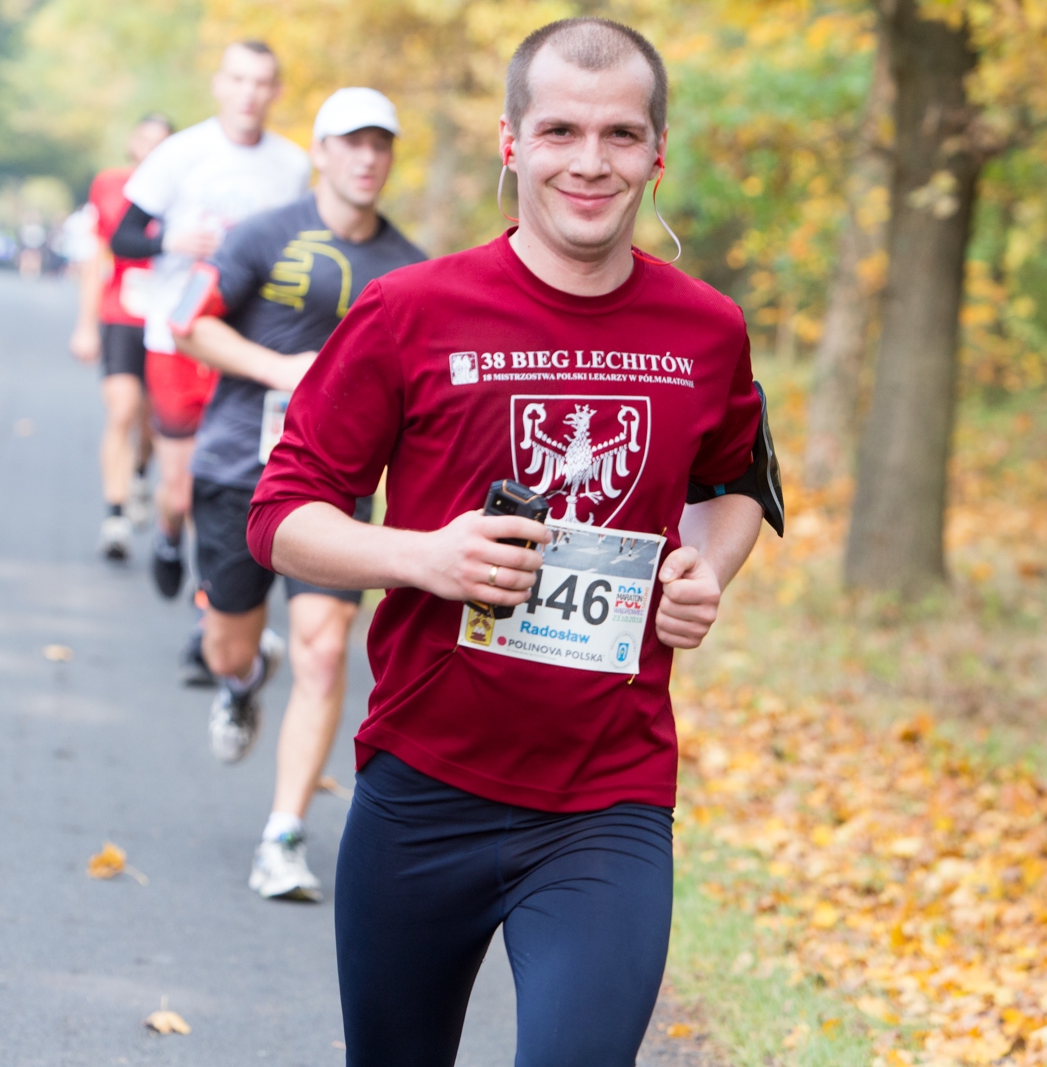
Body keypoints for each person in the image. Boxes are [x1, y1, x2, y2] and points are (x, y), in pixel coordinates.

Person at [247, 17, 783, 1065]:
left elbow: (736, 486)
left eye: (622, 135)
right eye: (561, 131)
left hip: (607, 803)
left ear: (657, 151)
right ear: (511, 142)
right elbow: (282, 517)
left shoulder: (707, 328)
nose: (591, 162)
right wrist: (420, 555)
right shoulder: (410, 311)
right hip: (422, 791)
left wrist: (703, 569)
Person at [169, 88, 425, 902]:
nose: (367, 158)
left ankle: (283, 835)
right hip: (238, 468)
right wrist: (285, 371)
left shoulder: (411, 269)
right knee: (229, 649)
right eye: (351, 143)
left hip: (336, 489)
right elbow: (187, 320)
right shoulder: (262, 234)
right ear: (319, 151)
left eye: (380, 145)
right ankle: (243, 677)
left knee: (322, 649)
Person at [110, 40, 310, 601]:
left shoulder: (292, 165)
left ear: (276, 91)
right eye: (238, 80)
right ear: (220, 84)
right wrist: (168, 238)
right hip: (178, 337)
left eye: (261, 82)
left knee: (230, 483)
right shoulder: (179, 153)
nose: (249, 93)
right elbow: (122, 236)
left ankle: (209, 612)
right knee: (180, 488)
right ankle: (170, 533)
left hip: (250, 348)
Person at [70, 114, 172, 559]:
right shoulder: (110, 185)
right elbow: (96, 259)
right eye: (145, 140)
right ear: (132, 144)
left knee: (153, 418)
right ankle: (114, 516)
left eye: (162, 143)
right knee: (123, 409)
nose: (151, 149)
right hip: (120, 314)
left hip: (166, 319)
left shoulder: (185, 190)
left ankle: (140, 473)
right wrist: (86, 325)